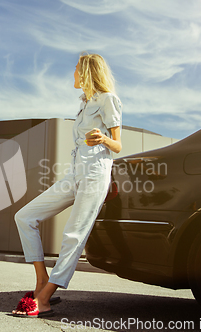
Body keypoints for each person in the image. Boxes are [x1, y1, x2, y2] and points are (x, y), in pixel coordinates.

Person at [12, 53, 122, 317]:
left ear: (86, 72)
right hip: (75, 174)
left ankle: (46, 297)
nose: (73, 74)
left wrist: (103, 139)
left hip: (95, 174)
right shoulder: (85, 103)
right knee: (25, 216)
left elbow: (118, 145)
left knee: (74, 234)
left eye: (75, 69)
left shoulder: (109, 100)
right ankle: (40, 279)